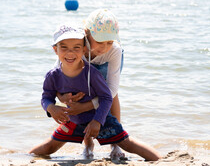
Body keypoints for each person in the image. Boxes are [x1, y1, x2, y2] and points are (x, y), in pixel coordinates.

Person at [29, 23, 161, 162]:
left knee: (127, 143)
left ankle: (161, 160)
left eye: (76, 48)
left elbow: (106, 97)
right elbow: (46, 96)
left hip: (99, 119)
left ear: (84, 49)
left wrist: (97, 121)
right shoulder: (52, 75)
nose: (70, 53)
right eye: (64, 47)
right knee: (48, 147)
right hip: (73, 120)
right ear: (55, 50)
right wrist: (51, 108)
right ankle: (20, 158)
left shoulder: (92, 73)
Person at [56, 9, 124, 158]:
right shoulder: (76, 44)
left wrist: (86, 107)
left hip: (108, 66)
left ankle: (116, 142)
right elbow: (56, 76)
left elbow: (111, 89)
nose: (104, 47)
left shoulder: (114, 51)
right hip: (84, 65)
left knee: (111, 94)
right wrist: (61, 97)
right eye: (100, 41)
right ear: (87, 33)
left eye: (110, 42)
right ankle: (88, 144)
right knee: (80, 92)